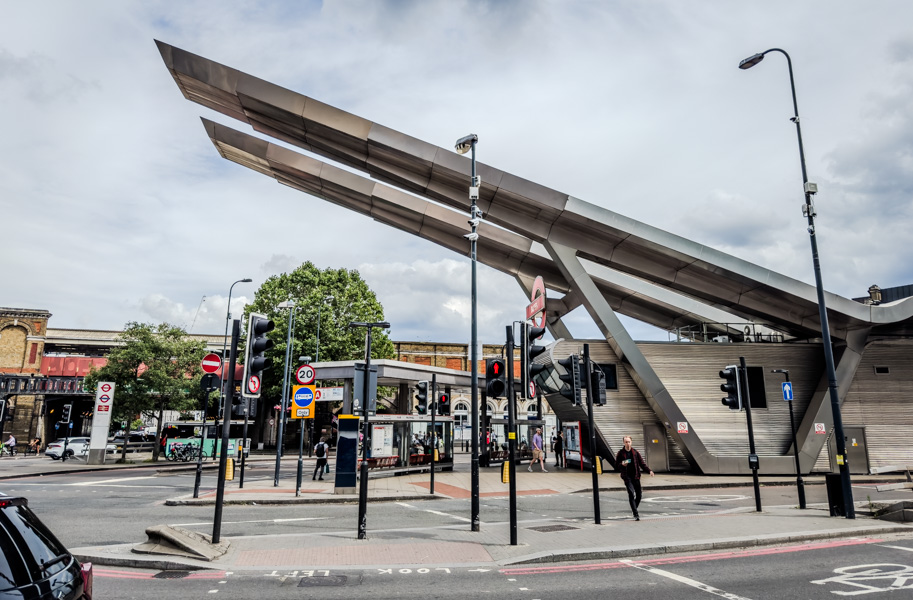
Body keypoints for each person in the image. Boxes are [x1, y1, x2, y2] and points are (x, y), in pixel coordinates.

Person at [615, 435, 654, 521]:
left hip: (636, 476)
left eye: (629, 442)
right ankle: (636, 514)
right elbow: (616, 466)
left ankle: (634, 509)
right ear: (623, 442)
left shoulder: (635, 452)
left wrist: (649, 471)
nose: (627, 443)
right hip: (627, 477)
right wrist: (622, 464)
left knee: (639, 495)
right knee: (631, 494)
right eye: (626, 442)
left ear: (631, 442)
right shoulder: (620, 453)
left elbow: (642, 464)